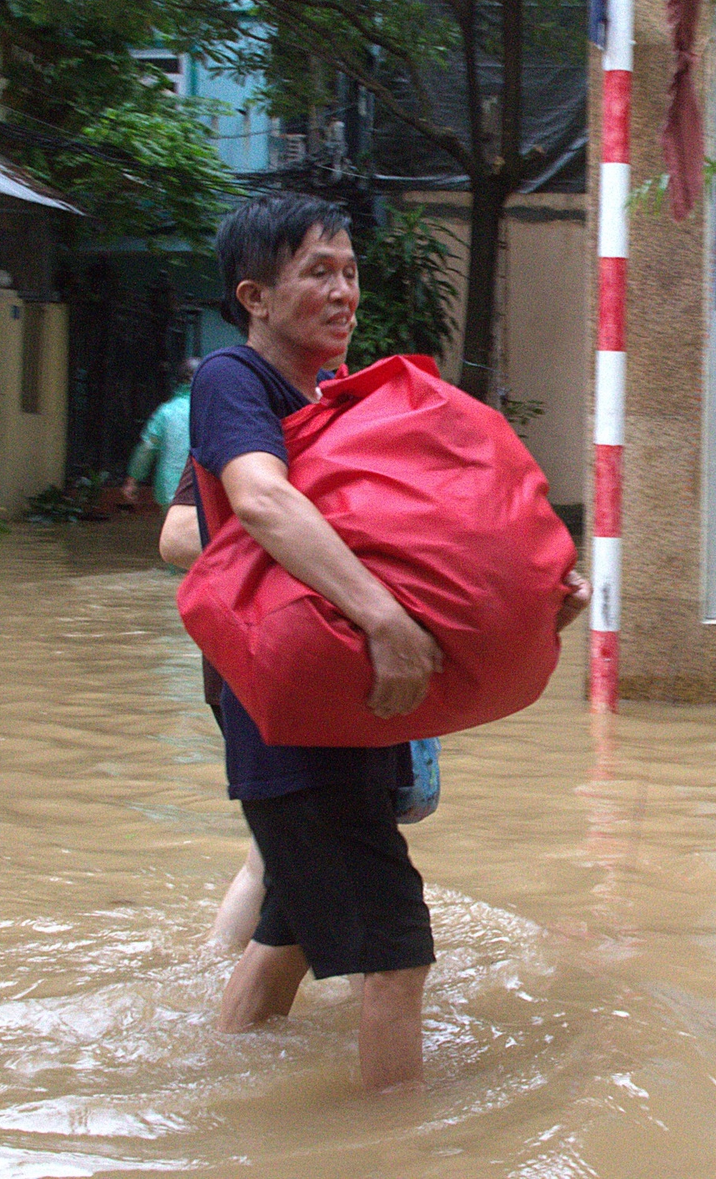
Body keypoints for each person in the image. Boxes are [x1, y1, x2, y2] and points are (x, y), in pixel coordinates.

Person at [171, 190, 586, 1092]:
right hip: (291, 718)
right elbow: (261, 500)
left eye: (351, 272)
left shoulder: (337, 399)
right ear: (255, 296)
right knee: (398, 951)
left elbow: (411, 537)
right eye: (318, 272)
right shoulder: (233, 382)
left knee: (285, 931)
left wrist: (527, 600)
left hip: (340, 705)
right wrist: (386, 619)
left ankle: (216, 1093)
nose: (344, 290)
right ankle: (395, 1142)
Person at [122, 358, 199, 508]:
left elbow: (147, 447)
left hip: (171, 491)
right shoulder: (213, 411)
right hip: (208, 494)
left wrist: (133, 479)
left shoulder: (166, 412)